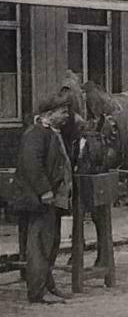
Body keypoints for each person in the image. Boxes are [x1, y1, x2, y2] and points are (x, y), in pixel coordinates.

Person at [15, 93, 74, 304]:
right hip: (39, 200)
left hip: (52, 200)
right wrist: (44, 191)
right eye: (63, 111)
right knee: (39, 245)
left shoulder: (52, 133)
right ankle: (38, 291)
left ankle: (48, 285)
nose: (67, 115)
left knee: (51, 243)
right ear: (49, 114)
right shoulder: (36, 134)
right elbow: (32, 164)